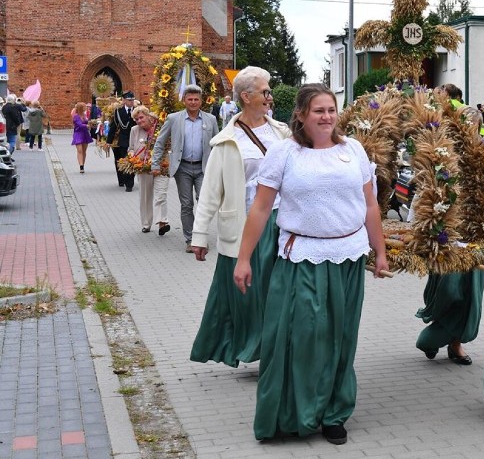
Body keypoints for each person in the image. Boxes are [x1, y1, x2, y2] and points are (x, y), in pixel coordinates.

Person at [232, 83, 389, 444]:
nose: (327, 117)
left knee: (341, 337)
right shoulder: (284, 153)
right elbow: (260, 208)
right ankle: (293, 414)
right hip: (302, 258)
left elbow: (370, 205)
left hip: (348, 258)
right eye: (318, 111)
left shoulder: (354, 150)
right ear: (301, 115)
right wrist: (243, 259)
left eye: (331, 110)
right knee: (301, 337)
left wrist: (379, 252)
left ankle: (335, 412)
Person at [190, 67, 291, 367]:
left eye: (269, 91)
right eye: (265, 92)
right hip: (243, 223)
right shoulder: (227, 140)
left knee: (276, 292)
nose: (270, 98)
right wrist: (199, 236)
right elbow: (210, 192)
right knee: (244, 295)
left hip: (278, 223)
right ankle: (251, 345)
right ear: (246, 97)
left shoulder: (281, 133)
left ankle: (272, 351)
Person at [151, 85, 219, 253]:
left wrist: (221, 167)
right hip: (183, 168)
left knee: (204, 203)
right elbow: (160, 142)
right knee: (187, 204)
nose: (193, 102)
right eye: (190, 99)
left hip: (204, 168)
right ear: (184, 101)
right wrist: (155, 163)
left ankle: (201, 236)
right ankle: (191, 240)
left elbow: (218, 144)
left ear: (201, 101)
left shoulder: (210, 119)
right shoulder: (174, 119)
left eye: (196, 99)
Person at [129, 106, 170, 234]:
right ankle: (146, 223)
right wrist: (131, 155)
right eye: (136, 119)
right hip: (143, 168)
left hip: (161, 166)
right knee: (145, 196)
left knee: (161, 194)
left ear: (148, 116)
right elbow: (130, 148)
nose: (139, 121)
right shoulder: (134, 130)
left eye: (141, 117)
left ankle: (162, 222)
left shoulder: (160, 127)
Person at [106, 91, 137, 191]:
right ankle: (125, 182)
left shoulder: (137, 110)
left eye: (132, 100)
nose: (131, 102)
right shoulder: (118, 112)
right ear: (123, 100)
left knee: (133, 161)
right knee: (124, 160)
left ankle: (129, 183)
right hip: (123, 140)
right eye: (129, 100)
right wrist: (108, 141)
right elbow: (114, 127)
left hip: (135, 140)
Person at [71, 102, 93, 173]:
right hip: (78, 134)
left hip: (85, 134)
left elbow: (87, 122)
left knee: (84, 151)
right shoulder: (76, 116)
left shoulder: (84, 115)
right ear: (80, 108)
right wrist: (86, 126)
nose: (86, 108)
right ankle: (81, 166)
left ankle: (83, 164)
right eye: (84, 107)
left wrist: (91, 123)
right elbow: (79, 125)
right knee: (80, 150)